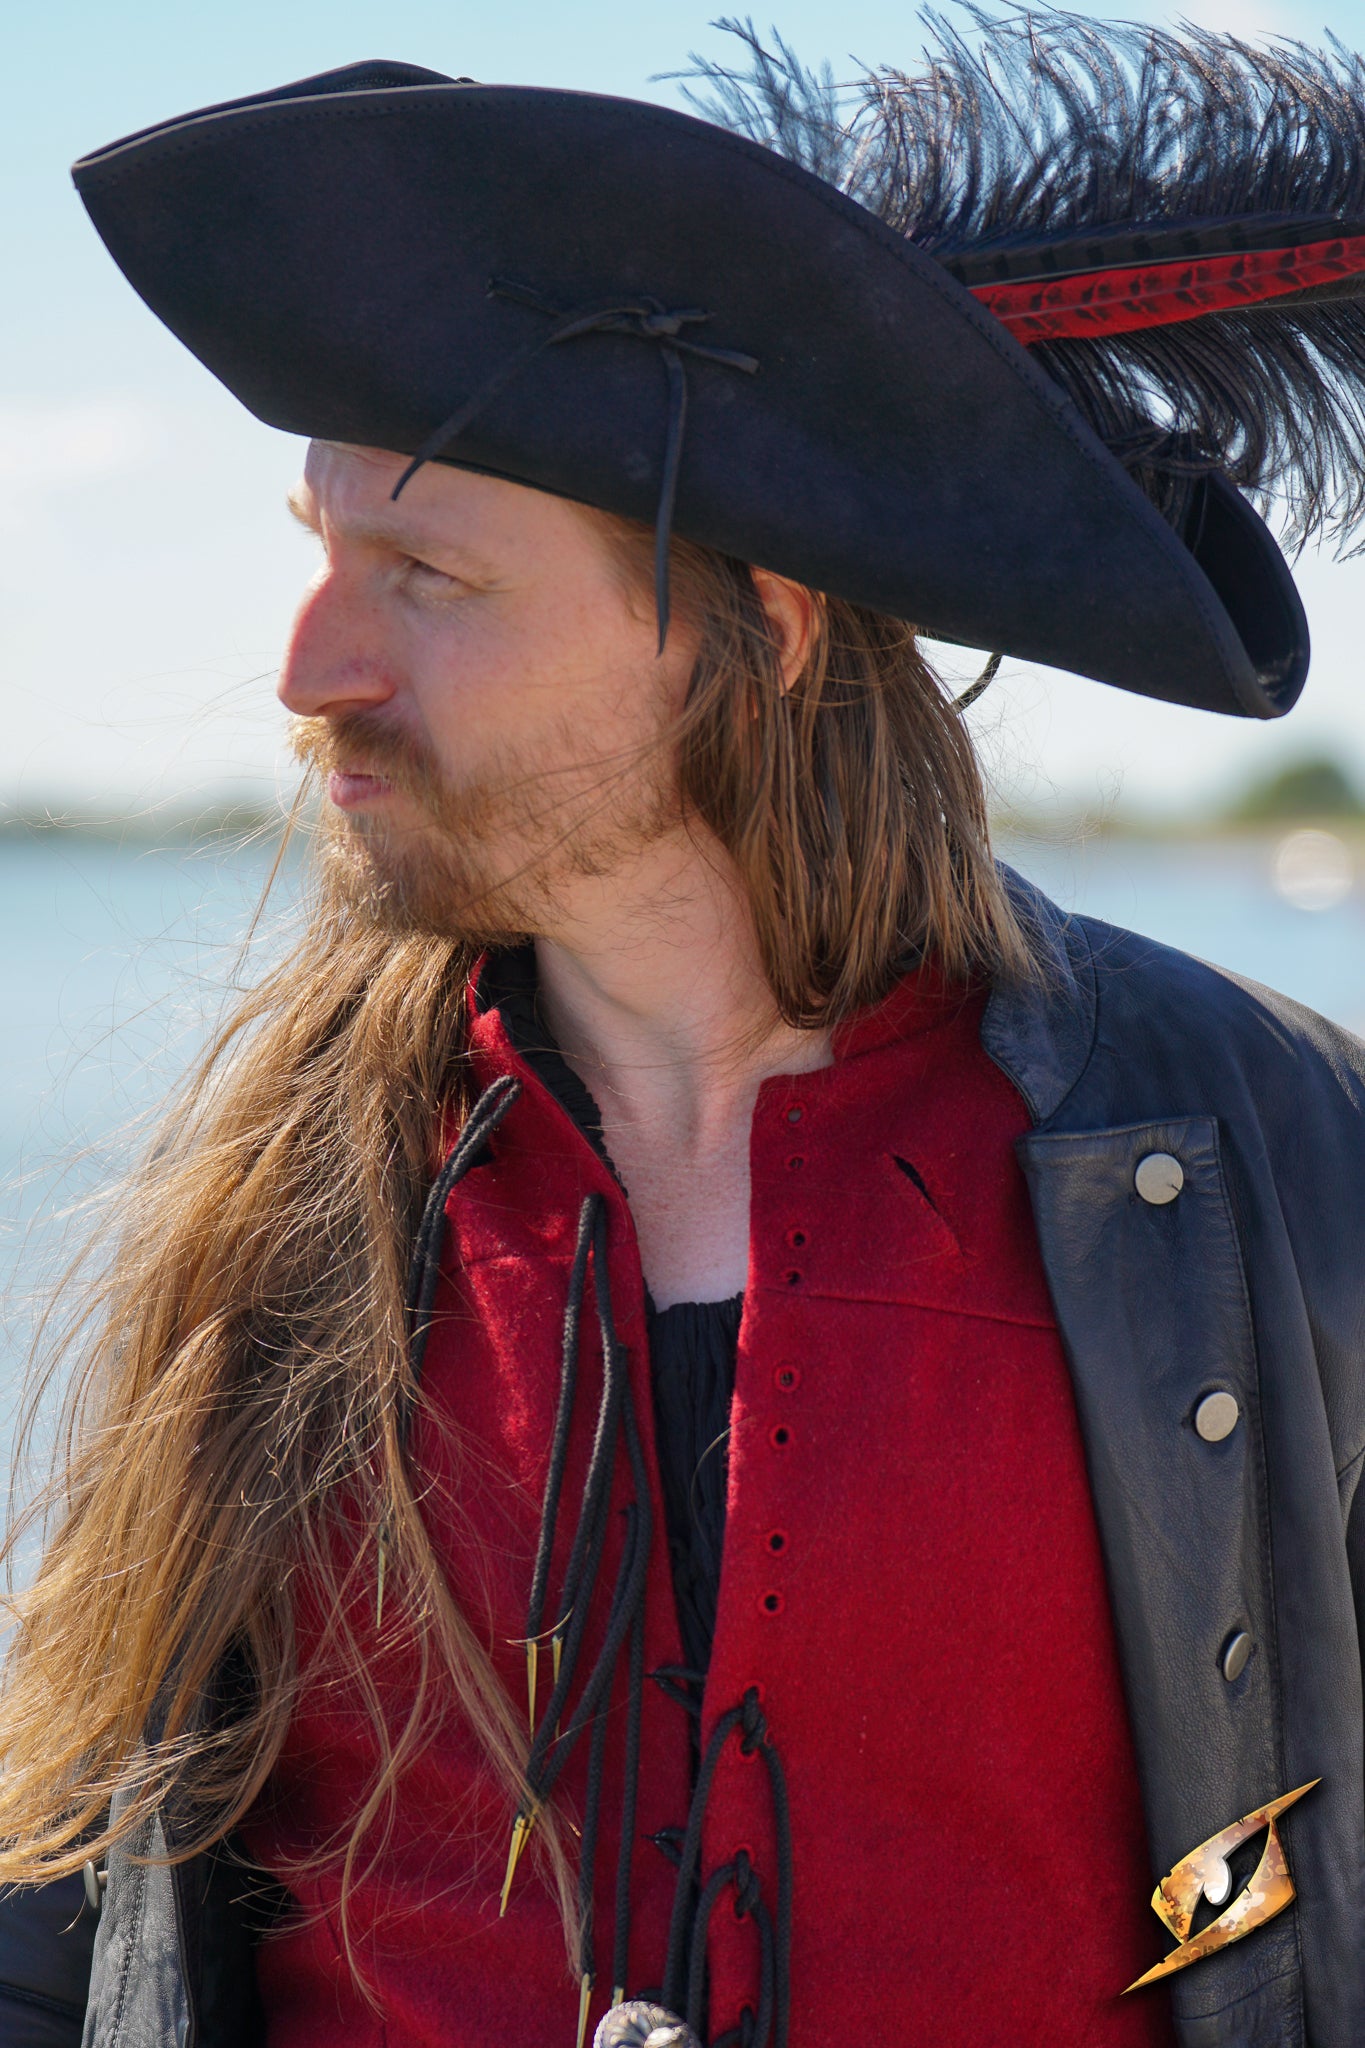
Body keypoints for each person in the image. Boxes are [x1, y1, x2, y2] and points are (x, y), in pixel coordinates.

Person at [5, 15, 1365, 2047]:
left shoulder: (1263, 1149)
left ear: (757, 625)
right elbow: (66, 1894)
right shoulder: (274, 1194)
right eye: (317, 559)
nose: (307, 668)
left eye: (425, 574)